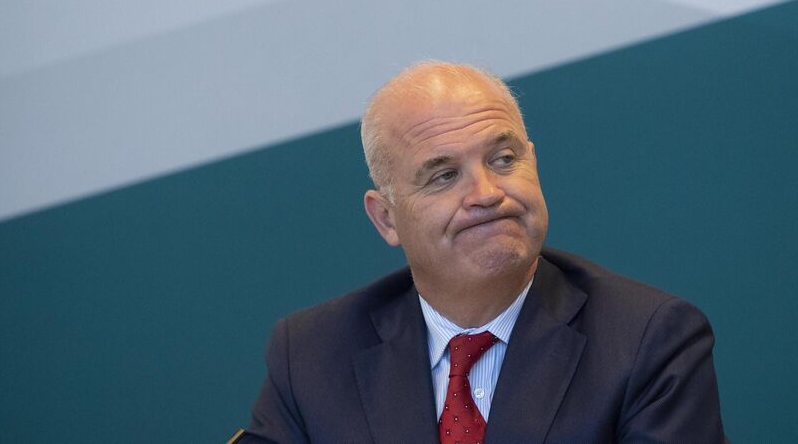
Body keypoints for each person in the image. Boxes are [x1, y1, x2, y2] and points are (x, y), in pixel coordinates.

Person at [232, 61, 725, 443]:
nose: (487, 193)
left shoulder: (646, 340)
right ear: (386, 218)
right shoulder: (312, 355)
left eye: (503, 159)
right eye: (445, 175)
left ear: (534, 164)